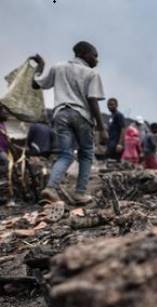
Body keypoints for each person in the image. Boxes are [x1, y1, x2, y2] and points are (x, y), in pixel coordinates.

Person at [30, 41, 106, 205]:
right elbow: (93, 100)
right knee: (86, 153)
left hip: (60, 114)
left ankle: (50, 188)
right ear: (84, 54)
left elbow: (36, 83)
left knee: (66, 154)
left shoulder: (59, 67)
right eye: (95, 55)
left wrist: (41, 65)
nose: (97, 60)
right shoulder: (91, 74)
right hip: (81, 115)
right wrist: (101, 127)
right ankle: (80, 193)